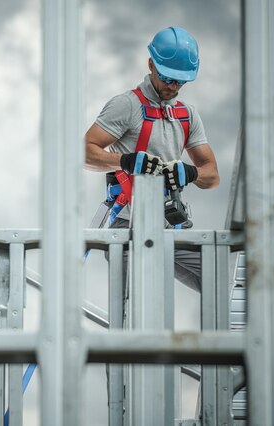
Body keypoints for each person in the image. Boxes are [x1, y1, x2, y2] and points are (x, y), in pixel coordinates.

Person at [85, 26, 219, 293]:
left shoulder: (186, 115)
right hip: (128, 224)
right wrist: (126, 161)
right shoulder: (127, 105)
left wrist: (189, 173)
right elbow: (86, 153)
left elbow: (212, 175)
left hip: (172, 224)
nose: (173, 87)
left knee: (220, 280)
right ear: (151, 65)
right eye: (168, 78)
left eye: (180, 82)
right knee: (132, 306)